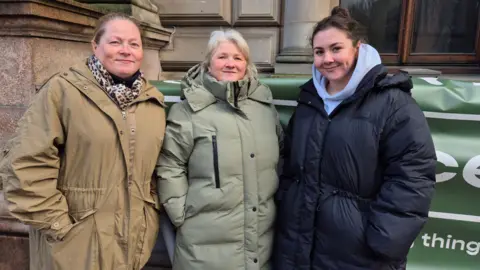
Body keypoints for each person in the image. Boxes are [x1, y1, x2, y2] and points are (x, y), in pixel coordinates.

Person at [273, 6, 436, 270]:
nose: (328, 59)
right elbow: (291, 170)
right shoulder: (308, 102)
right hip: (300, 248)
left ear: (358, 49)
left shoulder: (393, 102)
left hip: (360, 254)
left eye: (336, 48)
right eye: (319, 52)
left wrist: (384, 241)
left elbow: (413, 176)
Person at [0, 13, 166, 270]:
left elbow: (153, 171)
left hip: (130, 246)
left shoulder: (151, 102)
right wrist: (59, 226)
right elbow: (24, 165)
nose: (125, 50)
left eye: (134, 44)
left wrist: (149, 213)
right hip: (73, 248)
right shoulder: (62, 91)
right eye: (115, 42)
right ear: (95, 45)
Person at [156, 29, 283, 270]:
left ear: (247, 64)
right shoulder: (188, 110)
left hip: (259, 241)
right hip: (202, 245)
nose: (230, 64)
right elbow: (170, 164)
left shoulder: (265, 109)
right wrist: (180, 215)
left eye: (238, 58)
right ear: (208, 62)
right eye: (222, 56)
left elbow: (280, 159)